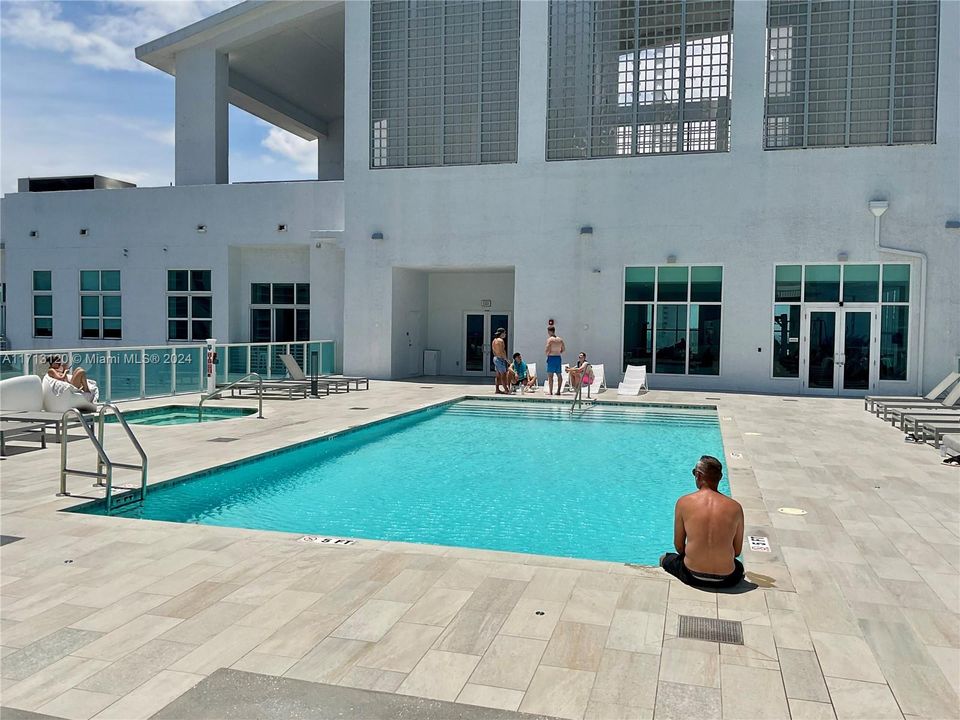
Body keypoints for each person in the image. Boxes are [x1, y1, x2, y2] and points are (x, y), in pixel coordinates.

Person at [659, 455, 745, 589]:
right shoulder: (736, 507)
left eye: (694, 473)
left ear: (698, 475)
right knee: (739, 566)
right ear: (720, 478)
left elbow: (679, 547)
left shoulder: (684, 502)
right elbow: (737, 551)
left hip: (692, 575)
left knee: (664, 558)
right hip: (727, 579)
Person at [544, 326, 565, 395]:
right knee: (559, 374)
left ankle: (550, 391)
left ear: (549, 331)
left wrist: (548, 354)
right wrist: (558, 352)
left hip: (552, 357)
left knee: (550, 376)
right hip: (558, 357)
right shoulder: (560, 340)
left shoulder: (550, 340)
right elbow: (563, 349)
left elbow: (547, 349)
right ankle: (558, 391)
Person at [491, 328, 510, 394]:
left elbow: (493, 351)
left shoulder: (494, 340)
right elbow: (502, 351)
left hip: (495, 358)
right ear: (501, 333)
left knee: (498, 375)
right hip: (500, 359)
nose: (505, 334)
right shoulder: (501, 341)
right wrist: (506, 360)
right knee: (503, 375)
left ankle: (497, 389)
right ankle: (506, 390)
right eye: (504, 333)